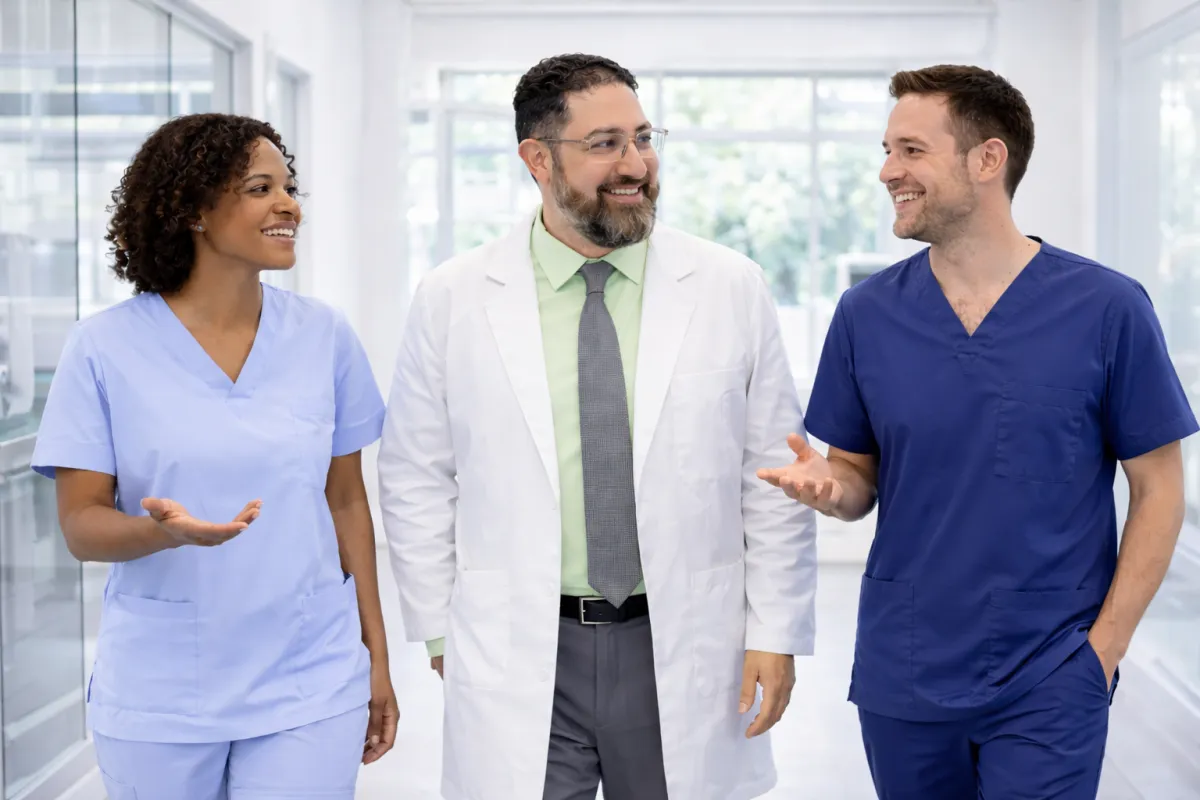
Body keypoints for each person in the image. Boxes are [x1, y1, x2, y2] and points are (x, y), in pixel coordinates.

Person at [378, 53, 816, 800]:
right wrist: (443, 633)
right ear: (537, 158)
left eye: (644, 138)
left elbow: (772, 474)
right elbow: (414, 474)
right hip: (521, 643)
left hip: (680, 637)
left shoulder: (727, 286)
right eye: (605, 143)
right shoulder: (453, 297)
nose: (636, 164)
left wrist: (774, 630)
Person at [758, 64, 1199, 799]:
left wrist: (1104, 651)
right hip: (906, 671)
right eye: (886, 149)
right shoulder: (867, 315)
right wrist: (830, 489)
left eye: (911, 150)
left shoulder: (1107, 308)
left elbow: (1159, 487)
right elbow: (856, 478)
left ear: (988, 159)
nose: (887, 171)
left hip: (1054, 671)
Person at [30, 113, 398, 798]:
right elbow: (81, 524)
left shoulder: (324, 336)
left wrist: (375, 654)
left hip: (309, 673)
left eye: (289, 188)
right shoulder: (104, 348)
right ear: (194, 210)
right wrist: (160, 532)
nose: (288, 204)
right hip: (164, 686)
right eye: (261, 188)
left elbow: (346, 500)